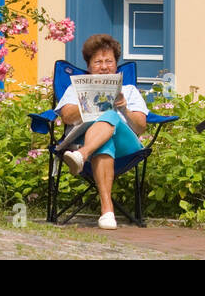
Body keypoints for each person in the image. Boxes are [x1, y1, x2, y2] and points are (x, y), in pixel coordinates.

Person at [55, 34, 148, 229]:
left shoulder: (129, 90)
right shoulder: (75, 88)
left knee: (112, 116)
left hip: (126, 147)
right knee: (105, 141)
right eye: (98, 62)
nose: (104, 66)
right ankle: (107, 211)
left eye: (109, 61)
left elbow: (140, 127)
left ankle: (81, 155)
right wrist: (89, 102)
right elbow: (66, 117)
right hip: (88, 139)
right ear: (89, 67)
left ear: (116, 65)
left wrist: (123, 109)